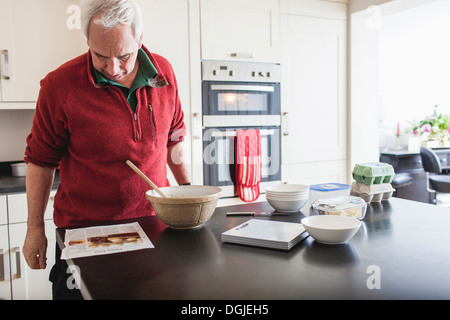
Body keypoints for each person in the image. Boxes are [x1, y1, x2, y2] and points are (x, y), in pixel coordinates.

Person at [22, 0, 190, 299]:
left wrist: (187, 192)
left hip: (155, 226)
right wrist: (34, 228)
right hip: (87, 233)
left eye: (124, 55)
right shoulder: (59, 86)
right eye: (100, 55)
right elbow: (40, 161)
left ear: (140, 40)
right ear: (87, 40)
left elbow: (174, 138)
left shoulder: (164, 72)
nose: (113, 68)